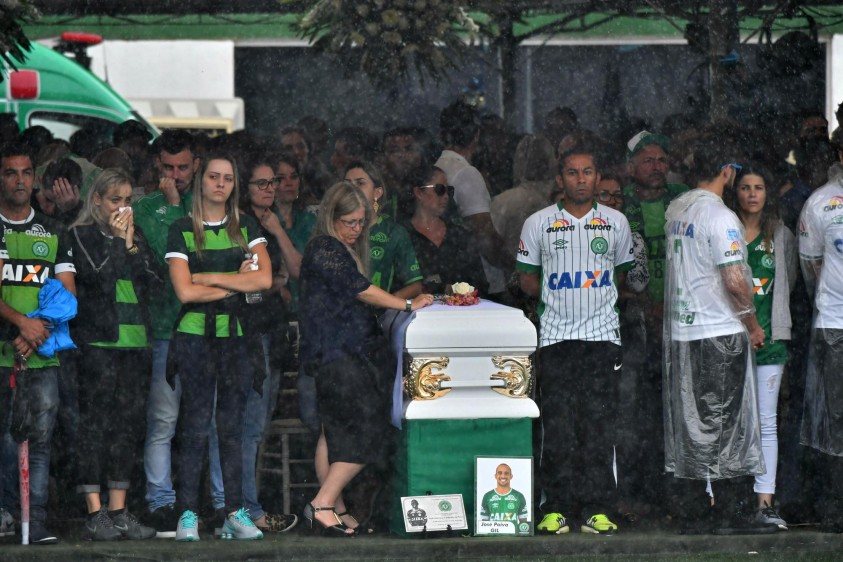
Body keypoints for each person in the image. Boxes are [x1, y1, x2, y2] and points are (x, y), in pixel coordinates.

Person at [298, 181, 434, 536]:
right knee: (365, 431)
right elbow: (359, 289)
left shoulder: (330, 248)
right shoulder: (325, 247)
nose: (357, 229)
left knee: (334, 435)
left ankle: (337, 510)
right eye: (350, 222)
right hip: (340, 353)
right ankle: (322, 503)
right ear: (332, 217)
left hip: (333, 353)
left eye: (362, 223)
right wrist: (406, 303)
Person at [517, 144, 634, 536]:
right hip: (555, 339)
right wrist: (562, 302)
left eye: (587, 172)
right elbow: (529, 280)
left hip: (602, 339)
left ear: (598, 178)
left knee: (599, 427)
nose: (580, 179)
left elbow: (618, 277)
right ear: (559, 179)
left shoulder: (616, 223)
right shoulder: (538, 223)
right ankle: (558, 508)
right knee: (560, 428)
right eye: (572, 172)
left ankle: (598, 508)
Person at [663, 135, 767, 534]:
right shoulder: (721, 217)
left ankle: (690, 509)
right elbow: (735, 279)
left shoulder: (678, 210)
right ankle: (732, 511)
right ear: (727, 171)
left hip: (683, 330)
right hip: (718, 330)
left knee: (691, 420)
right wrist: (753, 324)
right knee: (727, 422)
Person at [165, 152, 271, 542]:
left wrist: (208, 275)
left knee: (232, 429)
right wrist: (234, 279)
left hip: (238, 337)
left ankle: (234, 513)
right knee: (193, 427)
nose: (220, 183)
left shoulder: (246, 226)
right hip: (195, 337)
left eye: (227, 177)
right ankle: (187, 515)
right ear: (201, 181)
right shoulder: (181, 228)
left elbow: (263, 281)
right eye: (213, 176)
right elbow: (183, 290)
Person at [69, 169, 160, 541]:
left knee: (128, 426)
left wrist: (132, 244)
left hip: (136, 343)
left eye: (127, 200)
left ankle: (119, 509)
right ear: (97, 201)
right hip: (98, 344)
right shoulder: (80, 235)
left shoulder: (135, 237)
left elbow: (155, 284)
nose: (123, 208)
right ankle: (94, 511)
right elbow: (97, 277)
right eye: (114, 200)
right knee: (94, 426)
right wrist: (118, 242)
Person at [0, 141, 77, 545]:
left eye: (25, 172)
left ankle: (37, 519)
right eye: (10, 172)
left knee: (40, 439)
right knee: (5, 437)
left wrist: (37, 330)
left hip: (41, 355)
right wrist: (20, 326)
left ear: (35, 179)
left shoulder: (52, 231)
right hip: (4, 351)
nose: (19, 180)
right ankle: (7, 514)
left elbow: (67, 294)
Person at [133, 130, 200, 535]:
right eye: (168, 167)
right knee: (163, 422)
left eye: (183, 167)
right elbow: (166, 259)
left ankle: (213, 503)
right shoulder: (143, 208)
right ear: (157, 165)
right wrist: (174, 209)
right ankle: (161, 502)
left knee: (205, 421)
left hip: (208, 328)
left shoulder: (211, 203)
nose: (175, 175)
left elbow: (199, 257)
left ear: (196, 164)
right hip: (162, 328)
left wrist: (178, 209)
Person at [621, 130, 689, 514]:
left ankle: (673, 488)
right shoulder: (619, 203)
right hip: (634, 323)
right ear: (631, 166)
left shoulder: (682, 198)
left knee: (675, 407)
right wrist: (644, 303)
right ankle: (638, 489)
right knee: (638, 410)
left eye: (662, 159)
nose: (657, 167)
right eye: (648, 160)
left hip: (679, 318)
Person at [725, 165, 795, 530]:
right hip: (728, 343)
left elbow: (791, 280)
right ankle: (723, 500)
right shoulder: (725, 231)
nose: (752, 194)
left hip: (769, 342)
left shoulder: (780, 235)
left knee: (766, 424)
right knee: (728, 423)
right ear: (734, 193)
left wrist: (772, 327)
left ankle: (765, 502)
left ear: (768, 194)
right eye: (745, 187)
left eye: (759, 187)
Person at [798, 138, 843, 533]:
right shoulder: (820, 202)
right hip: (834, 323)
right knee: (835, 417)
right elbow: (810, 265)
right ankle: (835, 508)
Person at [436, 101, 513, 295]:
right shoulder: (466, 174)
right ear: (477, 136)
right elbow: (484, 233)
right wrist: (513, 265)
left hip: (449, 272)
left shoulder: (437, 168)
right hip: (477, 278)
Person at [403, 164, 488, 295]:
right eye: (440, 189)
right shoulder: (401, 235)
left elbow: (480, 283)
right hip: (418, 313)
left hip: (461, 312)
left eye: (449, 190)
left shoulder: (459, 235)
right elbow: (397, 285)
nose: (446, 196)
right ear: (419, 193)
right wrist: (443, 289)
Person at [344, 161, 423, 299]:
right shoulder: (332, 227)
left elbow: (415, 286)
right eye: (347, 184)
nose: (352, 189)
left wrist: (386, 305)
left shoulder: (393, 233)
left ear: (377, 192)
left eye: (360, 183)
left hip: (376, 317)